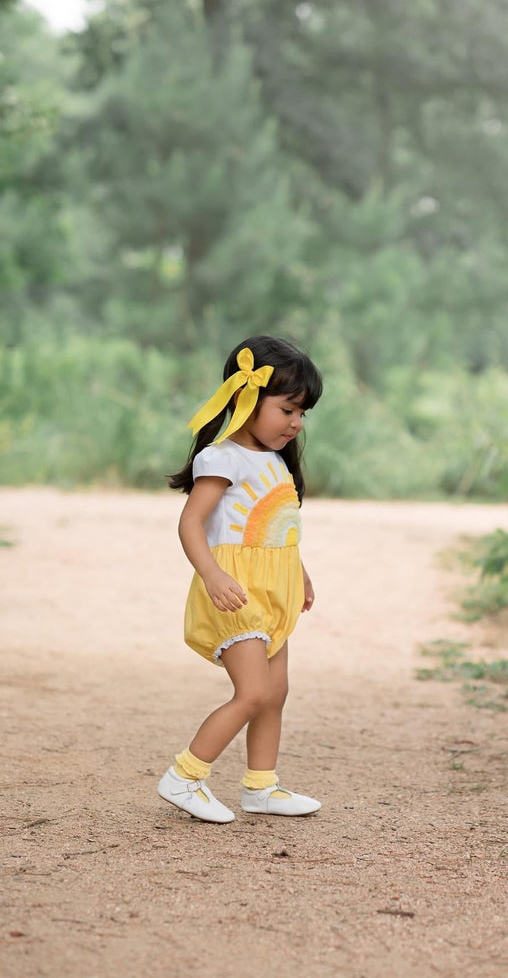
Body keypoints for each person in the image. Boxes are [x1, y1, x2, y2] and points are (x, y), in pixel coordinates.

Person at [157, 335, 323, 823]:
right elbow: (191, 523)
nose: (295, 423)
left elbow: (277, 528)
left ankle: (261, 787)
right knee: (251, 693)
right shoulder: (223, 457)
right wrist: (210, 574)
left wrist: (301, 574)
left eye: (302, 414)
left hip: (275, 592)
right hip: (234, 592)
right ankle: (185, 777)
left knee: (275, 692)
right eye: (287, 409)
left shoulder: (274, 462)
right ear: (246, 399)